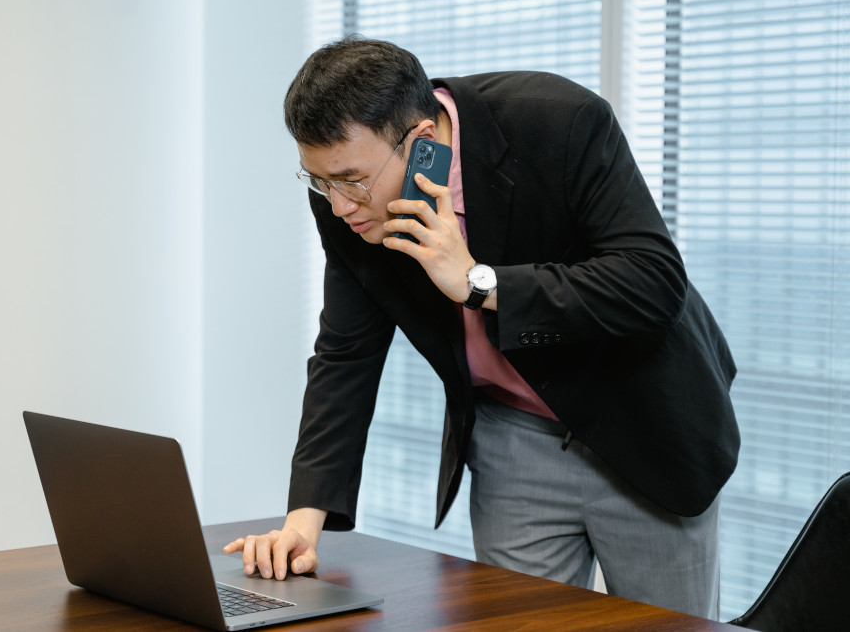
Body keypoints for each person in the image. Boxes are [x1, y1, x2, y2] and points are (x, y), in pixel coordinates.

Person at [224, 36, 740, 618]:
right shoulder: (346, 197)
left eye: (350, 180)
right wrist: (303, 521)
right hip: (512, 437)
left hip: (643, 423)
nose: (340, 205)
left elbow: (653, 282)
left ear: (419, 143)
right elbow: (346, 354)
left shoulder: (558, 121)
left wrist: (478, 283)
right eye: (319, 181)